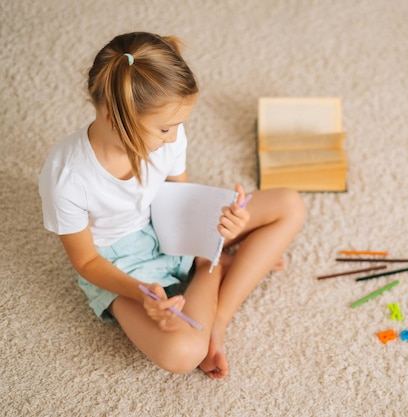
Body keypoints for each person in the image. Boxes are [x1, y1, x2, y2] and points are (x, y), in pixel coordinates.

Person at [38, 32, 306, 378]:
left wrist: (221, 226)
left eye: (177, 126)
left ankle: (216, 312)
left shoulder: (170, 136)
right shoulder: (66, 177)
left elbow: (184, 199)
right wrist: (143, 294)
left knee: (289, 204)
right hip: (120, 265)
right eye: (165, 129)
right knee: (181, 354)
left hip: (169, 220)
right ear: (115, 121)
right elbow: (87, 262)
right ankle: (216, 267)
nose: (174, 137)